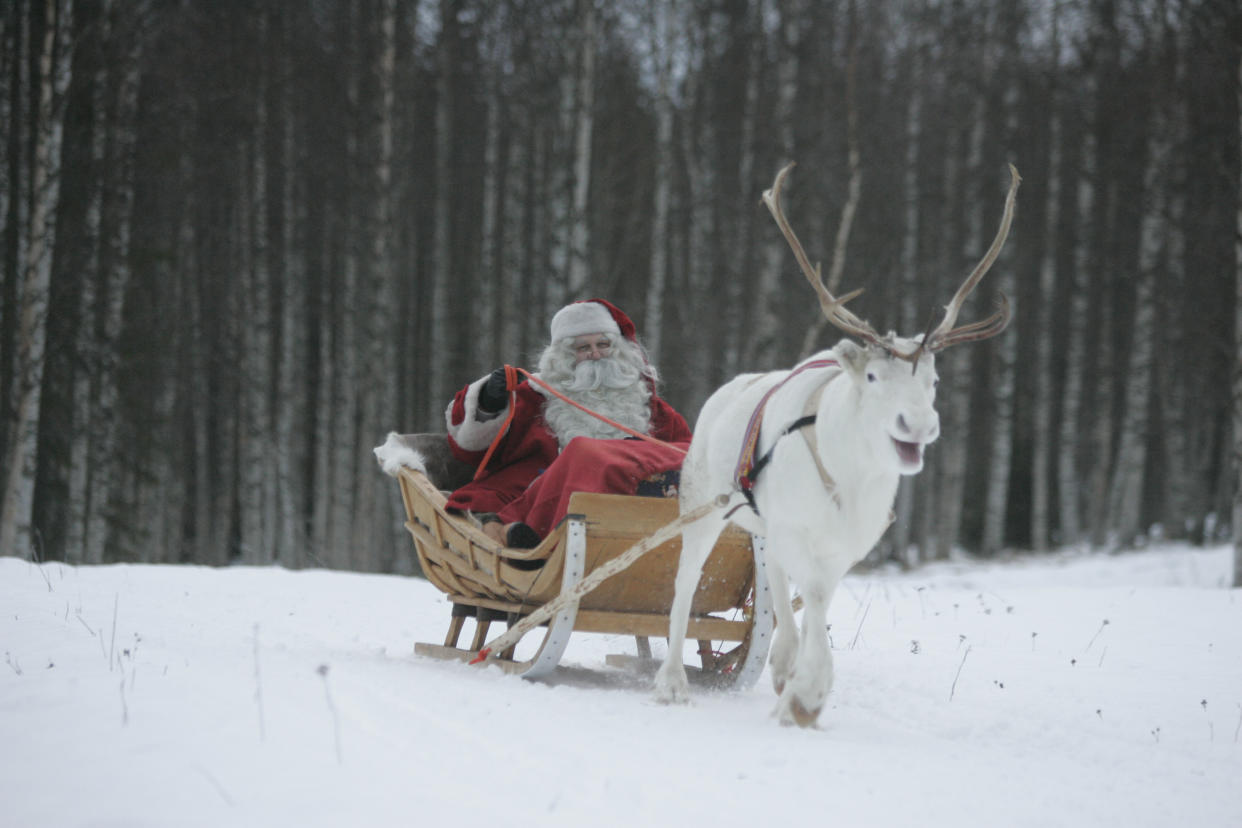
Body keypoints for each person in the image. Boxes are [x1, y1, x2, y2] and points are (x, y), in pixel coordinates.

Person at [444, 299, 691, 548]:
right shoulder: (535, 396)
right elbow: (472, 448)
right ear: (562, 357)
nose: (595, 354)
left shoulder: (647, 404)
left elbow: (687, 452)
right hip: (538, 496)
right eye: (583, 348)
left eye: (603, 345)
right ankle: (531, 538)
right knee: (584, 454)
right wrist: (489, 402)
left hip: (634, 507)